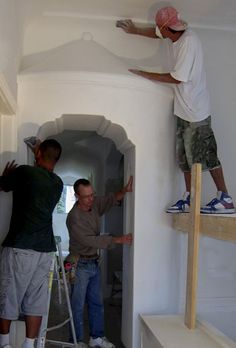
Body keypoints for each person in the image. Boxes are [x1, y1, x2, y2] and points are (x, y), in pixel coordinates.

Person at [117, 6, 235, 214]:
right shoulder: (174, 35)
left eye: (159, 29)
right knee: (184, 157)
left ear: (168, 29)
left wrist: (145, 74)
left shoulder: (188, 43)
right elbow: (156, 34)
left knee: (208, 154)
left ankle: (225, 198)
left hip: (196, 110)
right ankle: (189, 198)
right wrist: (134, 30)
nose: (158, 32)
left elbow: (176, 78)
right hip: (183, 109)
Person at [0, 139, 63, 348]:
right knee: (35, 301)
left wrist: (6, 175)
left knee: (9, 294)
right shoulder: (58, 183)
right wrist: (40, 153)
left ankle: (5, 344)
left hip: (21, 246)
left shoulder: (25, 172)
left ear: (38, 153)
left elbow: (3, 186)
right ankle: (29, 344)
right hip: (45, 250)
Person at [66, 177, 133, 348]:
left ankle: (96, 337)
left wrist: (124, 191)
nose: (91, 199)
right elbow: (92, 241)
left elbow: (109, 199)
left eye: (92, 194)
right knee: (78, 305)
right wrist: (119, 240)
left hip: (93, 263)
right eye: (86, 196)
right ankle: (76, 341)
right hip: (79, 265)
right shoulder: (74, 218)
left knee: (96, 303)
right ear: (77, 196)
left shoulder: (93, 204)